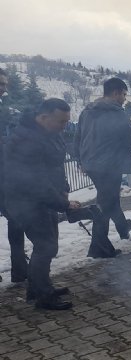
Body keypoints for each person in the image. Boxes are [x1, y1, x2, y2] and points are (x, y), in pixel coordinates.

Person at [4, 98, 79, 309]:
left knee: (48, 245)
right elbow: (36, 181)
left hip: (44, 199)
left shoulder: (49, 133)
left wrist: (63, 187)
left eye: (66, 122)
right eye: (61, 122)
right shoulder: (26, 140)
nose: (64, 126)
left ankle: (38, 288)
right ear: (44, 117)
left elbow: (54, 167)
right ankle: (43, 297)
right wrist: (63, 203)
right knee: (45, 246)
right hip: (25, 201)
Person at [75, 78, 131, 258]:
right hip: (110, 165)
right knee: (106, 203)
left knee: (110, 198)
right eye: (124, 95)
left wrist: (80, 160)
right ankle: (99, 246)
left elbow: (77, 137)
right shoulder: (117, 113)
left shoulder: (86, 111)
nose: (124, 99)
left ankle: (123, 228)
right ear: (116, 92)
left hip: (91, 163)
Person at [1, 67, 25, 284]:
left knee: (16, 221)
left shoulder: (6, 110)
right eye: (0, 84)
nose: (4, 89)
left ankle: (19, 268)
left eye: (5, 84)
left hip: (7, 177)